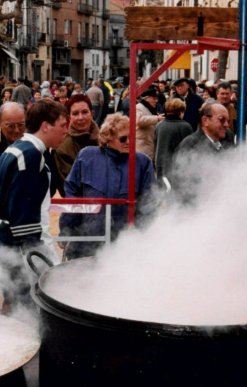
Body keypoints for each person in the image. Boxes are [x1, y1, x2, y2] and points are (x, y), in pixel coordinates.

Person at [59, 114, 156, 260]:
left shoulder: (142, 162)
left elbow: (149, 204)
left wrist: (141, 238)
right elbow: (73, 197)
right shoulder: (87, 156)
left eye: (132, 137)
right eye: (123, 138)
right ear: (108, 138)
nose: (129, 142)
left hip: (124, 245)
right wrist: (66, 231)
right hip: (87, 242)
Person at [0, 99, 68, 276]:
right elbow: (25, 223)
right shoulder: (31, 156)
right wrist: (43, 262)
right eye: (62, 125)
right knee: (28, 302)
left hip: (7, 245)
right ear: (45, 126)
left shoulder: (16, 149)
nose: (66, 130)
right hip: (20, 252)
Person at [53, 94, 99, 196]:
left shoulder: (106, 141)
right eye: (75, 114)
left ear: (92, 114)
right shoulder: (63, 148)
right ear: (69, 117)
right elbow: (67, 189)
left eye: (85, 112)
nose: (80, 118)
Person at [154, 97, 193, 188]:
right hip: (177, 166)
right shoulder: (185, 126)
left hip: (160, 164)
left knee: (162, 192)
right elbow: (189, 149)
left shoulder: (159, 125)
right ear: (181, 111)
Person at [135, 86, 164, 161]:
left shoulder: (150, 108)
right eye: (154, 98)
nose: (156, 101)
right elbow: (139, 120)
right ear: (146, 98)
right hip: (142, 146)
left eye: (156, 99)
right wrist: (157, 118)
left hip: (149, 144)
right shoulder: (138, 107)